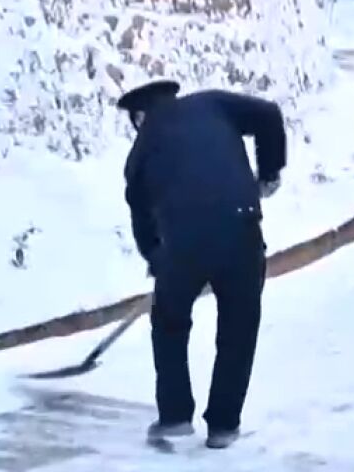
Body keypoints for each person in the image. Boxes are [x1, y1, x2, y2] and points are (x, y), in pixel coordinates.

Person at [118, 79, 286, 449]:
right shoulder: (213, 104)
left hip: (182, 244)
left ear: (140, 115)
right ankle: (224, 425)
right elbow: (269, 115)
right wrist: (270, 171)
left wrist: (156, 258)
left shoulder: (140, 152)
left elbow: (141, 217)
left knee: (169, 323)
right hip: (242, 228)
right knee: (239, 329)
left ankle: (175, 416)